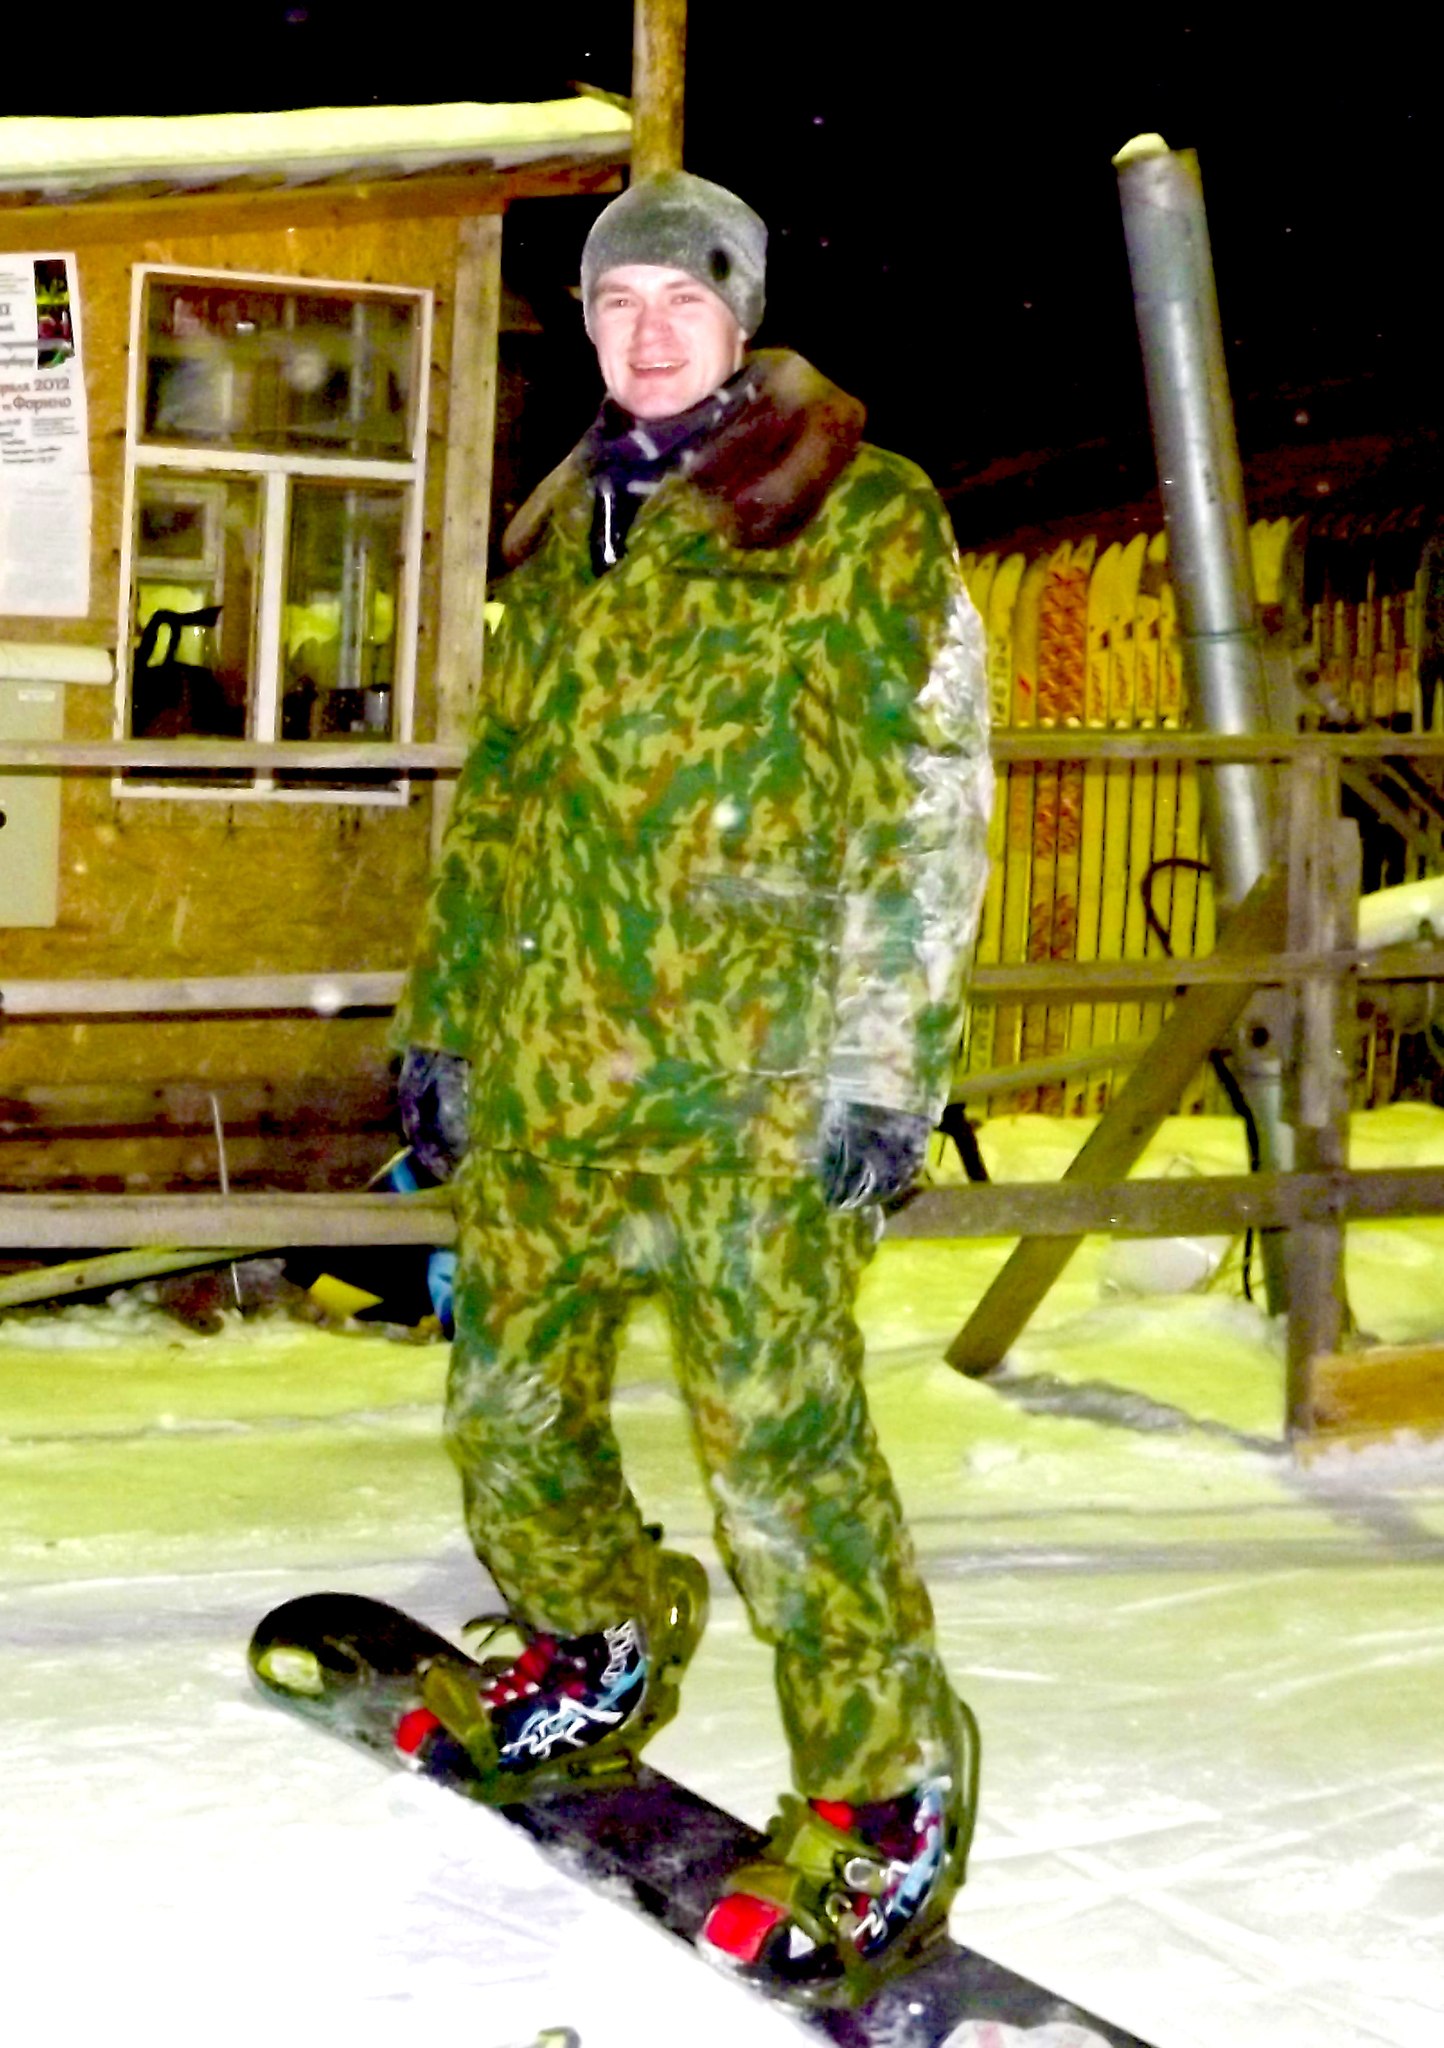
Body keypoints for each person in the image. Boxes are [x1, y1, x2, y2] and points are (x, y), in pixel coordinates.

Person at [393, 169, 993, 2007]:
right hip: (557, 1063)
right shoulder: (562, 532)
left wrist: (887, 1065)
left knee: (779, 1460)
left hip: (758, 1077)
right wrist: (449, 1018)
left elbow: (924, 798)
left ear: (741, 318)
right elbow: (505, 801)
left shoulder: (856, 510)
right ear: (586, 326)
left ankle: (883, 1795)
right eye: (616, 302)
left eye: (683, 300)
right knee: (505, 1408)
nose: (648, 334)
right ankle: (594, 1636)